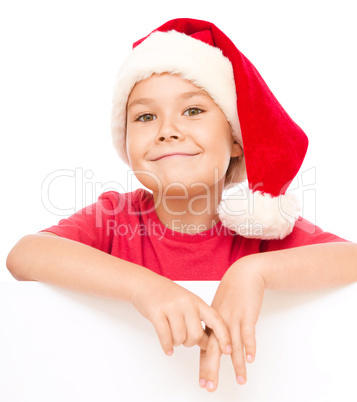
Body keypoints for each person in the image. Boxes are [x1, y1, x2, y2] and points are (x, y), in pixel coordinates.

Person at [6, 18, 357, 393]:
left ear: (236, 139)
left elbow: (349, 258)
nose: (167, 129)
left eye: (193, 111)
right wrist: (145, 288)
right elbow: (25, 256)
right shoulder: (114, 217)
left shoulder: (260, 228)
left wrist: (255, 272)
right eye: (145, 116)